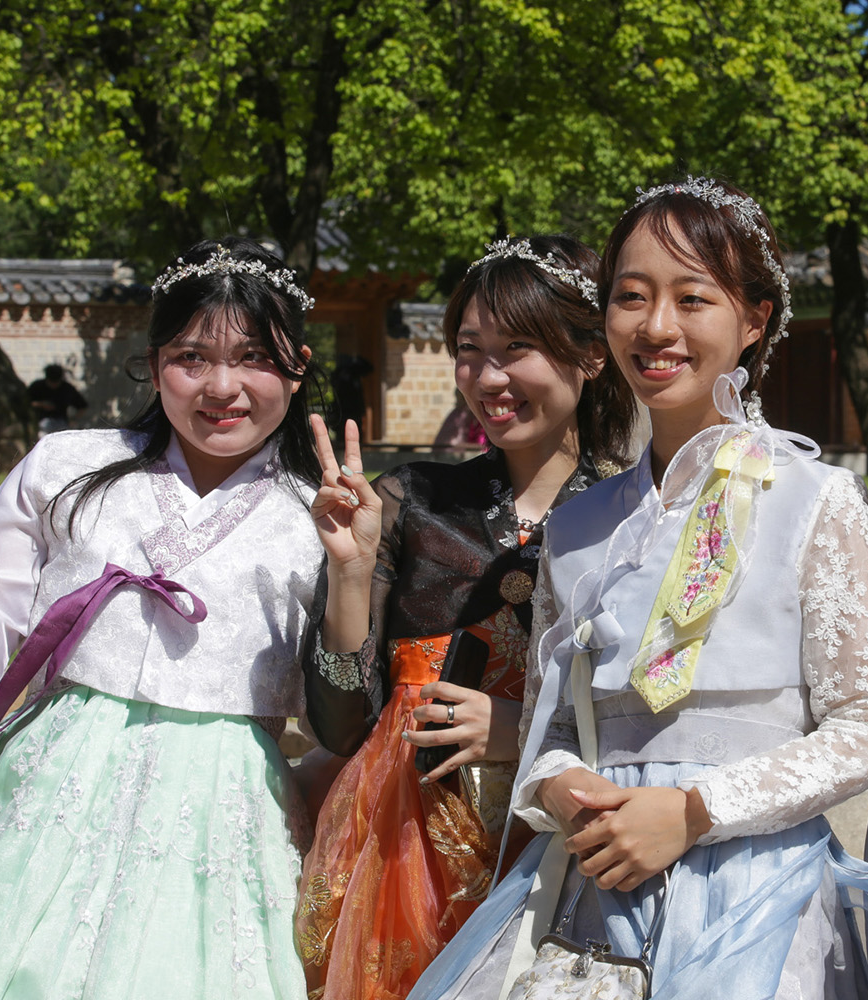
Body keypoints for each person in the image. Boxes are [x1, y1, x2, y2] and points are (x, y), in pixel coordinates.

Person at [406, 177, 868, 1000]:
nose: (657, 327)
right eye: (631, 298)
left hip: (756, 900)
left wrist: (692, 810)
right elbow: (551, 723)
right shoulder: (579, 526)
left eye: (693, 298)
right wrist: (561, 786)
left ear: (755, 320)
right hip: (591, 885)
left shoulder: (818, 501)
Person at [0, 237, 329, 998]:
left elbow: (339, 726)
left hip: (217, 835)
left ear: (298, 366)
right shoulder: (66, 470)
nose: (222, 387)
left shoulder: (323, 519)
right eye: (191, 357)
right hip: (34, 814)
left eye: (254, 358)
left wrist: (361, 570)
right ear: (152, 359)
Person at [294, 235, 636, 1000]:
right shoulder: (409, 502)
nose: (488, 378)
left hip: (561, 851)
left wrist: (522, 729)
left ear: (590, 355)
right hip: (405, 850)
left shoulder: (635, 518)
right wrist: (350, 574)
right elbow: (341, 727)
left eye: (517, 349)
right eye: (469, 351)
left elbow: (661, 720)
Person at [28, 363, 89, 436]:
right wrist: (41, 404)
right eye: (51, 382)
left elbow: (82, 406)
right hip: (40, 422)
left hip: (61, 423)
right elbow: (26, 402)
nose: (54, 385)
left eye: (56, 382)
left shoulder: (67, 389)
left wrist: (73, 420)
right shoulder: (37, 387)